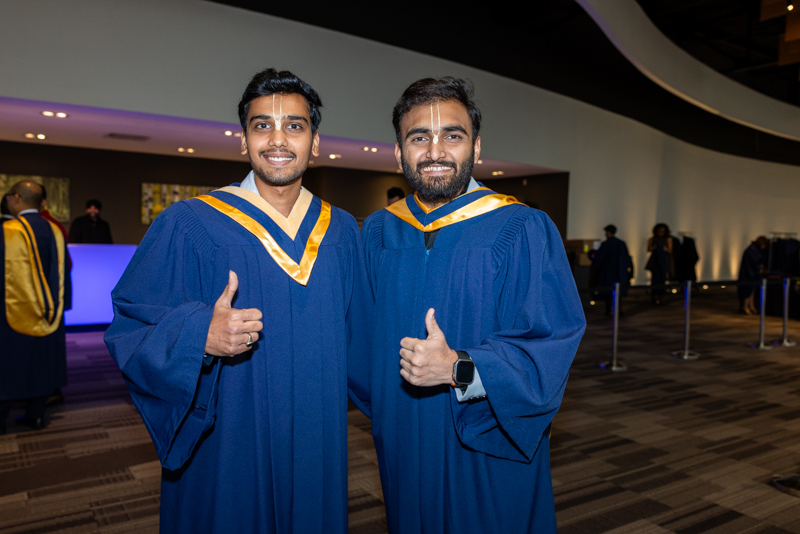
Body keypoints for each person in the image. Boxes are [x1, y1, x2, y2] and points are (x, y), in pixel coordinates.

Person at [104, 68, 372, 533]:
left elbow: (367, 341)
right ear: (243, 142)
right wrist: (195, 335)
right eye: (261, 125)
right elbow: (131, 324)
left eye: (295, 125)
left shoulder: (343, 230)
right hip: (229, 441)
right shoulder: (189, 224)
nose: (278, 139)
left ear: (315, 141)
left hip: (318, 436)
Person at [356, 77, 586, 533]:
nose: (435, 149)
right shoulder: (379, 232)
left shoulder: (521, 228)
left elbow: (548, 343)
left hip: (485, 436)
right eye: (419, 137)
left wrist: (460, 367)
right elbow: (356, 340)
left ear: (477, 148)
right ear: (399, 152)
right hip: (402, 435)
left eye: (452, 135)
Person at [1, 181, 70, 434]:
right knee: (41, 361)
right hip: (50, 311)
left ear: (17, 198)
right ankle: (37, 415)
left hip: (10, 309)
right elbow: (63, 273)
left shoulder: (7, 230)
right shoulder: (54, 230)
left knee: (9, 362)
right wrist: (61, 307)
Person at [591, 224, 633, 315]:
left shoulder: (606, 244)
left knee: (608, 291)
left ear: (608, 232)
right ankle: (619, 310)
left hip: (608, 272)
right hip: (619, 271)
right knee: (618, 292)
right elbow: (627, 258)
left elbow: (599, 258)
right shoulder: (621, 243)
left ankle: (608, 310)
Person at [737, 236, 769, 315]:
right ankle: (745, 307)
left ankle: (751, 306)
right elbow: (751, 263)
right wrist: (759, 268)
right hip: (748, 274)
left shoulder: (753, 250)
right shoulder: (752, 250)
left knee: (752, 290)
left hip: (751, 274)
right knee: (747, 290)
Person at [646, 223, 673, 304]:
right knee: (654, 279)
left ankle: (661, 296)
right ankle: (653, 296)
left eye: (662, 231)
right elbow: (649, 249)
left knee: (662, 278)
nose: (661, 233)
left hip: (663, 261)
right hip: (655, 260)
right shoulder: (652, 239)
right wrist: (653, 248)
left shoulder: (668, 239)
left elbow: (670, 250)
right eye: (660, 231)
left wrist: (665, 249)